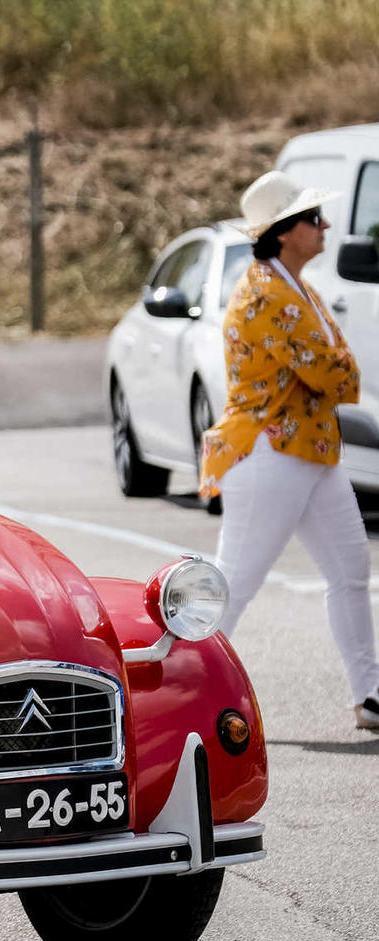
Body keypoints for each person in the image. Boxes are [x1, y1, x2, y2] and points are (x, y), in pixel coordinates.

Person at [198, 169, 379, 732]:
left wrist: (340, 369)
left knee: (350, 571)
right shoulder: (266, 293)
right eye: (311, 218)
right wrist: (339, 370)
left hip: (308, 451)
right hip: (268, 454)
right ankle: (180, 694)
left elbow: (340, 365)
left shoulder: (293, 286)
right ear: (282, 232)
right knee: (237, 583)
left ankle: (369, 696)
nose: (324, 225)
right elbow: (334, 371)